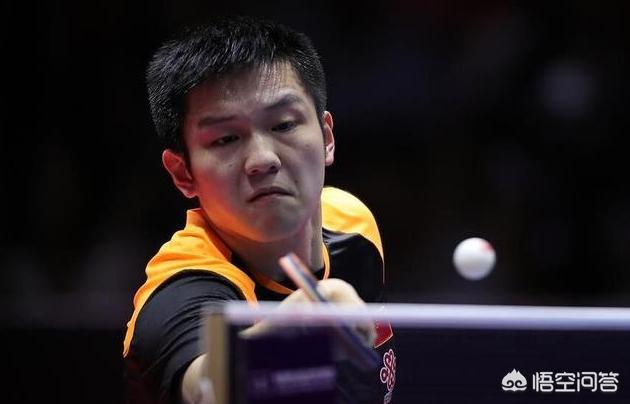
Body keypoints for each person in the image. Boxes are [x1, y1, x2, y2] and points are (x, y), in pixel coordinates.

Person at [123, 15, 396, 404]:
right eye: (226, 139)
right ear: (183, 173)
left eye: (283, 125)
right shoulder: (181, 289)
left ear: (326, 138)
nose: (263, 159)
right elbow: (205, 387)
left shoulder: (352, 223)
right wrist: (293, 327)